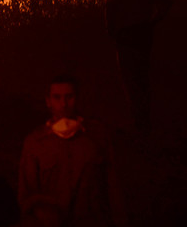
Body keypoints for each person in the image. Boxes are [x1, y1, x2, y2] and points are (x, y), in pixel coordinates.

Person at [18, 76, 126, 227]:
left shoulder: (97, 137)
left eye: (69, 97)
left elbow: (114, 188)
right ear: (48, 101)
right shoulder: (35, 143)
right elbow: (27, 196)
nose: (63, 104)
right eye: (57, 97)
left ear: (77, 98)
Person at [105, 0, 170, 134]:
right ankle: (145, 122)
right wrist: (154, 21)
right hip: (144, 35)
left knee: (129, 81)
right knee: (143, 79)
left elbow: (110, 6)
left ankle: (138, 124)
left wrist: (110, 29)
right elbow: (167, 2)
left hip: (125, 36)